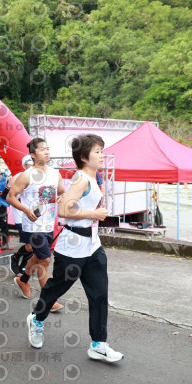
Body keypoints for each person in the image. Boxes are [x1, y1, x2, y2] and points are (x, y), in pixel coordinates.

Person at [26, 134, 123, 362]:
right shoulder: (81, 179)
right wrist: (94, 213)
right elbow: (64, 211)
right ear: (84, 157)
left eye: (101, 150)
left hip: (93, 245)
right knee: (55, 289)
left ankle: (98, 344)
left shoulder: (93, 176)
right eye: (97, 151)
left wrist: (96, 215)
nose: (102, 155)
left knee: (99, 294)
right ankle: (36, 320)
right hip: (72, 246)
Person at [7, 138, 64, 311]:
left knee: (39, 257)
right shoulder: (27, 175)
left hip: (49, 224)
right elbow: (10, 197)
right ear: (32, 154)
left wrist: (61, 197)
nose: (47, 152)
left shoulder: (55, 173)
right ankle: (48, 300)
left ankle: (23, 280)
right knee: (45, 259)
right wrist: (26, 210)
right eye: (42, 149)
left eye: (48, 149)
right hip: (33, 225)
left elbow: (61, 192)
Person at [7, 155, 34, 275]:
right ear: (24, 165)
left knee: (35, 244)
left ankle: (24, 264)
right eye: (29, 163)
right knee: (30, 246)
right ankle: (15, 257)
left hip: (35, 217)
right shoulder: (17, 177)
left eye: (33, 162)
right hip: (21, 216)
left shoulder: (39, 177)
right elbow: (6, 196)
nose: (32, 165)